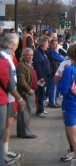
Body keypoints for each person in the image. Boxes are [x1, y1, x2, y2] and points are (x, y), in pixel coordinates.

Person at [0, 34, 27, 165]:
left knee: (9, 122)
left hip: (9, 95)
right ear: (12, 45)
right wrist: (20, 98)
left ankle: (5, 149)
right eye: (17, 44)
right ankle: (3, 154)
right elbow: (9, 82)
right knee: (6, 123)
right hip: (7, 95)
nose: (17, 46)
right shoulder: (4, 57)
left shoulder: (9, 56)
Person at [16, 48, 37, 139]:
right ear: (23, 55)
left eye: (31, 55)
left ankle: (21, 132)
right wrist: (29, 90)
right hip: (26, 93)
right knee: (26, 113)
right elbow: (21, 81)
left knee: (24, 113)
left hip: (29, 92)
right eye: (28, 55)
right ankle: (26, 133)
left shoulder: (28, 64)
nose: (30, 57)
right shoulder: (21, 66)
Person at [33, 36, 51, 117]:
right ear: (44, 45)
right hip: (41, 76)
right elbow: (37, 66)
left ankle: (41, 109)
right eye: (47, 44)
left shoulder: (43, 53)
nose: (48, 45)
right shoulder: (38, 53)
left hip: (45, 75)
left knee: (42, 93)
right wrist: (41, 76)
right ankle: (40, 110)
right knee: (39, 94)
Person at [46, 39, 65, 108]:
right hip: (53, 71)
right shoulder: (52, 51)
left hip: (52, 70)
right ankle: (53, 102)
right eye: (54, 44)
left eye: (57, 44)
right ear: (51, 44)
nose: (56, 46)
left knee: (52, 87)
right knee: (53, 88)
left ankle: (52, 101)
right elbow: (61, 59)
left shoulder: (50, 51)